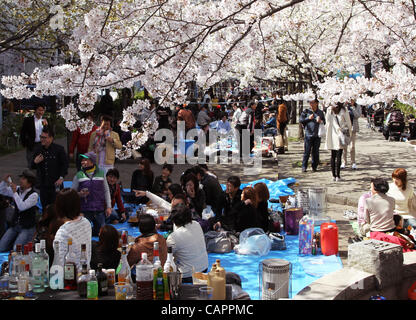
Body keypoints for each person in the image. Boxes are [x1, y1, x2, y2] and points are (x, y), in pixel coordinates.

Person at [71, 151, 112, 237]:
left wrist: (108, 206)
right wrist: (80, 194)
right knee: (83, 235)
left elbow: (106, 190)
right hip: (85, 211)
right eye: (82, 160)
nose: (82, 162)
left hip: (99, 209)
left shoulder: (101, 173)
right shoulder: (78, 175)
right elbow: (72, 194)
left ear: (92, 161)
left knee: (102, 235)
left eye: (85, 160)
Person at [166, 204, 209, 283]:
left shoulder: (173, 237)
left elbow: (167, 257)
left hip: (187, 275)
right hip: (204, 268)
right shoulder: (196, 224)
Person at [0, 170, 39, 252]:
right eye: (21, 178)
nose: (20, 180)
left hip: (27, 227)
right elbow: (2, 191)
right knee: (1, 247)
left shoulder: (34, 195)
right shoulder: (17, 189)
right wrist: (4, 181)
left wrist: (14, 193)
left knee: (16, 250)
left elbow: (22, 207)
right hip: (15, 225)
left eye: (23, 179)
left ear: (30, 183)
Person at [53, 188, 92, 269]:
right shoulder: (86, 222)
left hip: (72, 279)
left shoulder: (63, 232)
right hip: (86, 274)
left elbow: (60, 264)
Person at [31, 126, 68, 211]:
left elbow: (65, 165)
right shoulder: (38, 149)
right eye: (41, 137)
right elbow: (32, 166)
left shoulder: (59, 149)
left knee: (57, 208)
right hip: (43, 185)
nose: (42, 139)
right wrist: (35, 162)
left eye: (44, 137)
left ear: (51, 138)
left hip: (56, 184)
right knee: (45, 208)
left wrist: (61, 177)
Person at [324, 102, 352, 182]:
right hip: (341, 134)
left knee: (333, 155)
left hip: (333, 135)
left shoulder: (329, 110)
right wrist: (349, 132)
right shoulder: (343, 110)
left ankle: (333, 175)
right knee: (339, 155)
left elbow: (327, 122)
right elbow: (349, 122)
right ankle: (338, 176)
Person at [299, 99, 325, 173]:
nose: (311, 104)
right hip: (308, 134)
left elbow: (325, 122)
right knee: (307, 151)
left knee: (316, 152)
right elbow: (301, 120)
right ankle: (304, 166)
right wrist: (308, 118)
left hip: (317, 135)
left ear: (317, 103)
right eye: (310, 103)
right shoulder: (306, 111)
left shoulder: (320, 112)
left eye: (313, 103)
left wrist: (321, 121)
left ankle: (314, 166)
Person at [342, 100, 361, 170]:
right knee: (344, 146)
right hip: (345, 128)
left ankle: (353, 162)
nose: (351, 100)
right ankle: (344, 161)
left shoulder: (357, 106)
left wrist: (353, 108)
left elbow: (357, 115)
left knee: (352, 146)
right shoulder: (344, 106)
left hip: (353, 128)